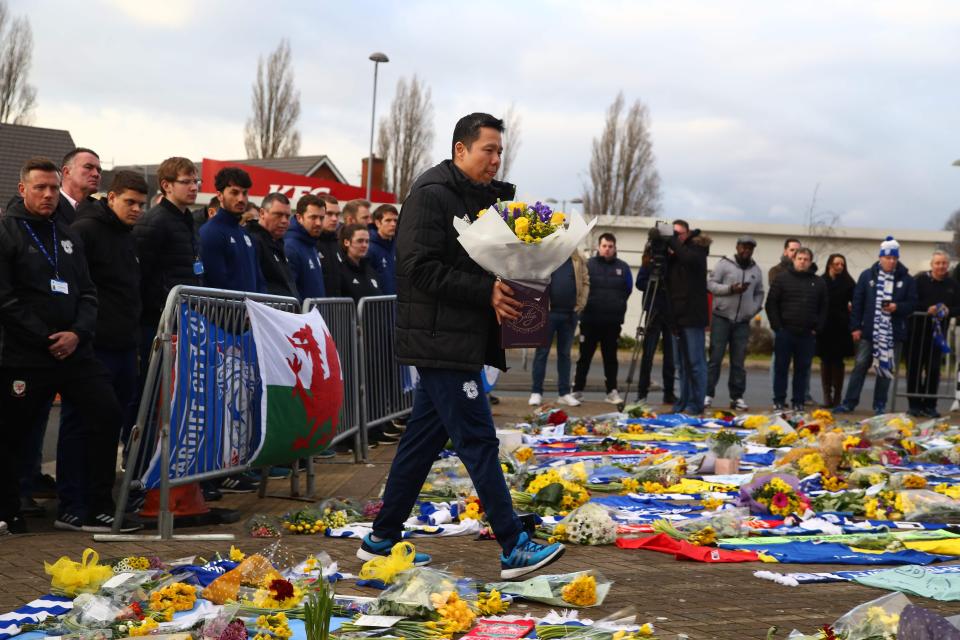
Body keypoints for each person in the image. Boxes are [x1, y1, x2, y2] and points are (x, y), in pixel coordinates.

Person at [358, 112, 565, 579]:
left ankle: (382, 538)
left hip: (456, 336)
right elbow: (416, 267)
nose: (495, 160)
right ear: (460, 150)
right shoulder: (431, 195)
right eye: (487, 150)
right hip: (439, 339)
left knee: (421, 442)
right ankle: (513, 545)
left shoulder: (481, 197)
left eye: (499, 151)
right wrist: (485, 291)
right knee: (477, 440)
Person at [0, 158, 132, 534]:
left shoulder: (68, 235)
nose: (48, 195)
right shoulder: (7, 232)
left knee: (106, 412)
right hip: (26, 354)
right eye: (40, 187)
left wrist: (77, 333)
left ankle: (97, 504)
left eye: (54, 188)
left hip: (74, 351)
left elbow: (89, 293)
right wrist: (45, 337)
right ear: (22, 189)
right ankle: (8, 509)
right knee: (13, 432)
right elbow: (5, 300)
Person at [59, 171, 149, 532]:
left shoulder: (128, 236)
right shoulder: (85, 230)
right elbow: (77, 287)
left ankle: (99, 503)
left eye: (142, 204)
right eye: (130, 202)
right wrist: (82, 333)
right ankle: (73, 505)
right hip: (93, 346)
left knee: (110, 425)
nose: (137, 210)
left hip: (125, 345)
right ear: (110, 198)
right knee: (82, 423)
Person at [836, 236, 918, 414]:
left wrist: (898, 307)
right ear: (880, 257)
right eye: (888, 258)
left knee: (885, 369)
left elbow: (913, 303)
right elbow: (858, 301)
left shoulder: (907, 279)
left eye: (894, 258)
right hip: (869, 331)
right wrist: (855, 326)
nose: (891, 261)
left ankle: (879, 405)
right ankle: (849, 402)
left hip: (893, 332)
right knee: (860, 366)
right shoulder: (867, 275)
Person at [134, 157, 203, 364]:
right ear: (166, 185)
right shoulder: (154, 222)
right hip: (157, 322)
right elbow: (141, 275)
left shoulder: (187, 220)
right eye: (186, 182)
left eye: (196, 182)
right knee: (154, 387)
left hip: (184, 319)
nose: (193, 187)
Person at [765, 247, 828, 412]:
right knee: (781, 368)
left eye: (806, 259)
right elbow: (771, 304)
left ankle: (798, 401)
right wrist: (777, 327)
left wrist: (817, 328)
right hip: (785, 331)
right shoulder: (781, 279)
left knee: (802, 370)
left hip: (807, 334)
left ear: (810, 262)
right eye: (799, 258)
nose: (802, 262)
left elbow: (824, 308)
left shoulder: (819, 282)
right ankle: (779, 400)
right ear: (793, 260)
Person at [572, 233, 632, 404]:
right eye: (604, 246)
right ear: (599, 247)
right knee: (584, 357)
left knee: (611, 358)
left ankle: (612, 391)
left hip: (612, 322)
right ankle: (577, 390)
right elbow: (581, 287)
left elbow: (628, 289)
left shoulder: (624, 267)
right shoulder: (588, 265)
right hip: (590, 320)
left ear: (615, 248)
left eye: (610, 246)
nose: (607, 249)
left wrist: (617, 304)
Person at [706, 235, 764, 411]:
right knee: (715, 358)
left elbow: (759, 292)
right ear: (737, 247)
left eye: (750, 248)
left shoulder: (756, 270)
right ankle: (707, 394)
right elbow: (710, 285)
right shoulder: (724, 264)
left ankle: (737, 397)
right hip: (721, 317)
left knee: (738, 361)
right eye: (743, 247)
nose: (746, 250)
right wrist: (730, 289)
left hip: (742, 322)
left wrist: (752, 310)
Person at [660, 219, 711, 415]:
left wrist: (671, 240)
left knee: (696, 363)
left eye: (678, 233)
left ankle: (696, 403)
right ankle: (683, 399)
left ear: (687, 234)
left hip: (693, 316)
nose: (675, 237)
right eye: (672, 233)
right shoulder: (673, 256)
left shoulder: (697, 250)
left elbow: (688, 259)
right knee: (681, 364)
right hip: (676, 316)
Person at [529, 251, 589, 407]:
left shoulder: (577, 258)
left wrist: (580, 305)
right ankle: (536, 392)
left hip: (569, 314)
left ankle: (564, 393)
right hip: (548, 313)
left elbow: (585, 281)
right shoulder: (546, 256)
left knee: (565, 354)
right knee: (541, 353)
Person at [905, 251, 960, 417]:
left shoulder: (953, 284)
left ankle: (930, 405)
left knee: (934, 370)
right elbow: (911, 302)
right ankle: (914, 404)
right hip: (916, 333)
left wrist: (949, 310)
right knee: (914, 368)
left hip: (938, 336)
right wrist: (926, 309)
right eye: (938, 263)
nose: (941, 266)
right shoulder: (919, 281)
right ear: (931, 265)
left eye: (944, 263)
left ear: (948, 265)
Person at [200, 167, 265, 293]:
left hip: (251, 311)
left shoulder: (247, 234)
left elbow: (259, 280)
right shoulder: (210, 232)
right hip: (223, 312)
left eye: (245, 193)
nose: (241, 199)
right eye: (234, 193)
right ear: (220, 195)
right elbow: (215, 283)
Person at [634, 242, 676, 406]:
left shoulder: (671, 263)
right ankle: (642, 393)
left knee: (670, 356)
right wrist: (654, 282)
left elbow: (675, 284)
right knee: (647, 355)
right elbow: (639, 283)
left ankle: (669, 393)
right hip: (653, 310)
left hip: (669, 312)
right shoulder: (648, 262)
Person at [816, 254, 856, 408]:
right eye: (837, 263)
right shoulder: (821, 281)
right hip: (824, 325)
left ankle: (838, 396)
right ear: (829, 265)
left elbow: (856, 300)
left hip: (841, 326)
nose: (839, 266)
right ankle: (827, 395)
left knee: (838, 361)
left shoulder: (848, 282)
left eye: (842, 264)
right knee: (825, 360)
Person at [246, 192, 298, 298]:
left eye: (287, 216)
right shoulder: (252, 242)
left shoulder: (278, 242)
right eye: (278, 215)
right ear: (262, 213)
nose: (284, 221)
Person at [285, 194, 327, 301]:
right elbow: (289, 292)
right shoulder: (290, 247)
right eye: (313, 217)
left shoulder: (311, 244)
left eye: (321, 218)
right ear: (299, 218)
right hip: (302, 316)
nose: (318, 223)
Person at [55, 148, 103, 225]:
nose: (96, 174)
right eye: (88, 167)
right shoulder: (50, 207)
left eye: (99, 170)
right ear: (67, 172)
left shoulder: (102, 212)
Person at [338, 223, 382, 301]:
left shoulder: (370, 270)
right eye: (360, 241)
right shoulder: (340, 270)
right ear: (346, 242)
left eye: (367, 241)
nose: (364, 245)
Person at [367, 204, 399, 295]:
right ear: (377, 223)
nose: (393, 224)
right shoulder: (368, 247)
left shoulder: (399, 245)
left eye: (395, 220)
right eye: (388, 220)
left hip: (397, 304)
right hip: (379, 304)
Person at [316, 194, 342, 296]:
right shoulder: (311, 243)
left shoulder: (336, 243)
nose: (335, 219)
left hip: (336, 309)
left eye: (337, 214)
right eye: (329, 214)